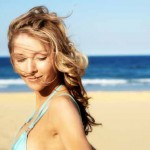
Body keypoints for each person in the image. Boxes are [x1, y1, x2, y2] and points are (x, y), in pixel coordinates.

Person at [8, 6, 100, 150]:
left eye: (41, 58)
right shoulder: (48, 106)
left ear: (59, 57)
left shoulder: (60, 106)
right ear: (12, 61)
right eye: (21, 59)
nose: (30, 69)